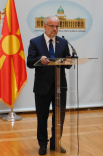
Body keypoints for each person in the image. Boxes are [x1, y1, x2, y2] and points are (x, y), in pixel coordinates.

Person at [27, 16, 71, 155]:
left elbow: (69, 62)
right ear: (45, 26)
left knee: (59, 117)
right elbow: (29, 62)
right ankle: (42, 144)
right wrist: (40, 60)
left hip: (60, 87)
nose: (54, 29)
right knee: (42, 117)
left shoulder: (63, 42)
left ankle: (55, 143)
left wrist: (69, 61)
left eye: (57, 26)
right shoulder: (35, 42)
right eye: (52, 26)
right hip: (42, 87)